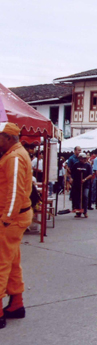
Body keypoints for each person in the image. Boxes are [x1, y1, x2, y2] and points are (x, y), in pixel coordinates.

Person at [0, 123, 33, 329]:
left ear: (8, 137)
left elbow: (15, 192)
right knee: (11, 261)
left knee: (1, 262)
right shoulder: (16, 153)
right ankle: (16, 303)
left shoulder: (13, 157)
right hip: (18, 216)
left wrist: (6, 218)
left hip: (11, 217)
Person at [71, 153, 93, 218]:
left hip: (85, 184)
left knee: (85, 196)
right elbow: (72, 173)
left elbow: (91, 174)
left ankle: (85, 211)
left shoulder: (88, 166)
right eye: (80, 158)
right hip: (77, 184)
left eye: (83, 158)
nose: (81, 160)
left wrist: (85, 179)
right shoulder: (76, 165)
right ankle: (78, 211)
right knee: (77, 197)